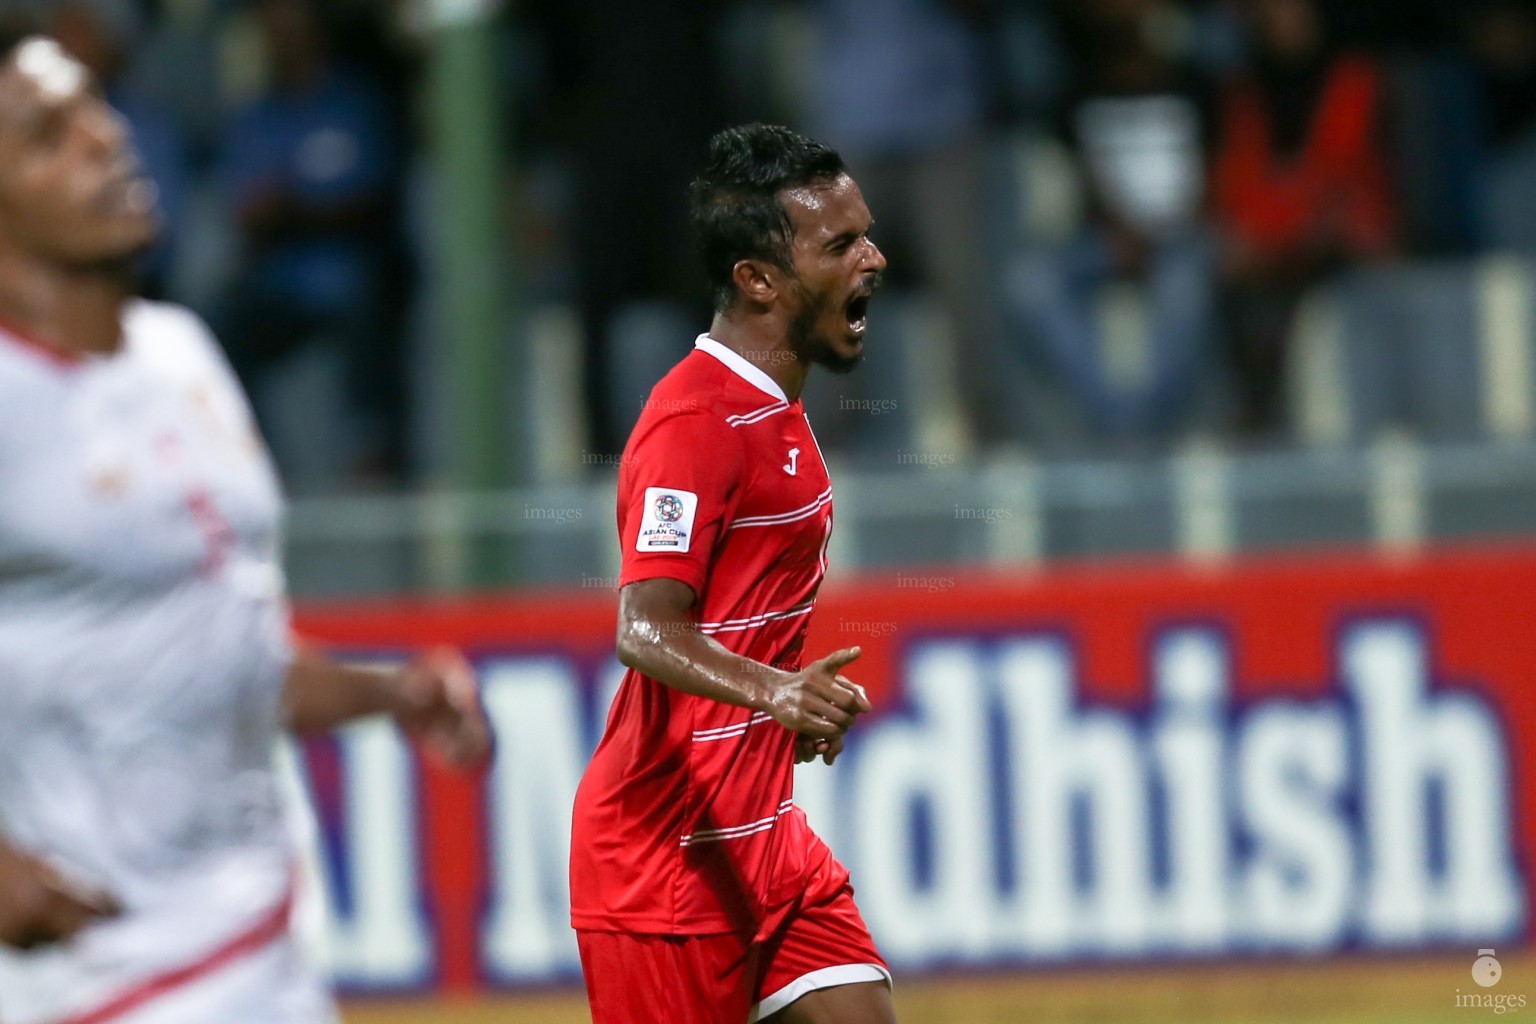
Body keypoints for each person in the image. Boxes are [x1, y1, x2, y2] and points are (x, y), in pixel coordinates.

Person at [0, 31, 491, 1024]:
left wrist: (392, 691)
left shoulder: (182, 353)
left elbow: (228, 648)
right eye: (48, 136)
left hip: (265, 938)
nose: (104, 139)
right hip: (102, 978)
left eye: (95, 106)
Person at [569, 125, 896, 1023]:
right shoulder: (696, 424)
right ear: (758, 279)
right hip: (663, 870)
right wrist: (776, 694)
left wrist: (784, 713)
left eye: (865, 233)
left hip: (767, 846)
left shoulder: (775, 411)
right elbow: (646, 628)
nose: (873, 258)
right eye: (840, 245)